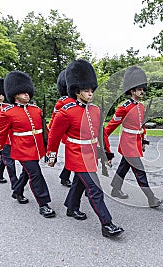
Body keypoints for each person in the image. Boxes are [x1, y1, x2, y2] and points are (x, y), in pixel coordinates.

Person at [46, 59, 124, 238]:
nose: (90, 94)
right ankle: (107, 224)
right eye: (86, 91)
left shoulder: (95, 110)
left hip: (91, 154)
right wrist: (51, 155)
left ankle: (71, 207)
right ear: (77, 91)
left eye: (91, 91)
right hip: (76, 154)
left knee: (79, 183)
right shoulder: (66, 111)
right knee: (95, 189)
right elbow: (54, 136)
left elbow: (100, 132)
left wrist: (106, 153)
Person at [0, 71, 55, 218]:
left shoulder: (36, 110)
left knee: (27, 173)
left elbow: (44, 131)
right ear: (14, 94)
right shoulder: (7, 112)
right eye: (22, 92)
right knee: (36, 174)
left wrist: (49, 148)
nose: (27, 94)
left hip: (37, 148)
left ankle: (17, 191)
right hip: (22, 149)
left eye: (28, 91)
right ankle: (43, 204)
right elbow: (1, 134)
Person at [104, 66, 163, 208]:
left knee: (124, 166)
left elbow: (142, 126)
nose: (142, 92)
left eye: (143, 89)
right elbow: (110, 128)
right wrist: (104, 146)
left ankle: (115, 189)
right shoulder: (123, 107)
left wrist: (143, 140)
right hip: (127, 144)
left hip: (135, 142)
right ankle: (151, 199)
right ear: (132, 90)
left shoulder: (141, 106)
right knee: (140, 172)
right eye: (140, 89)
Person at [48, 69, 75, 187]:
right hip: (69, 133)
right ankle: (66, 177)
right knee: (75, 158)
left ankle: (65, 176)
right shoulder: (65, 101)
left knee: (75, 158)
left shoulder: (67, 100)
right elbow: (56, 120)